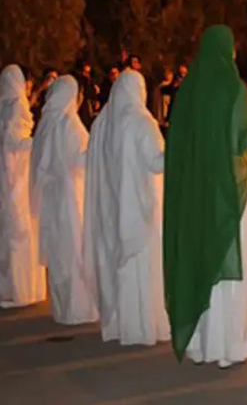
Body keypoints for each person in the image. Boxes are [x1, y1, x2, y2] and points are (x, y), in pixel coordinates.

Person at [163, 25, 247, 368]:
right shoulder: (234, 89)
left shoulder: (187, 92)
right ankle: (230, 346)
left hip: (196, 192)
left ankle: (201, 344)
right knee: (231, 258)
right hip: (227, 190)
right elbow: (241, 143)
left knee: (202, 255)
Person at [83, 70, 170, 346]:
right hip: (140, 212)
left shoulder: (102, 124)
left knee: (117, 267)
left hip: (111, 212)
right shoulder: (141, 122)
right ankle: (143, 328)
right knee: (141, 268)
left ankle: (121, 325)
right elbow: (157, 163)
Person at [30, 76, 98, 325]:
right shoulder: (69, 123)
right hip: (70, 197)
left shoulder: (47, 123)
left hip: (52, 199)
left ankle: (62, 308)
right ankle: (78, 309)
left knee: (59, 253)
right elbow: (78, 160)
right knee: (74, 251)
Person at [0, 65, 47, 308]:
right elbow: (14, 144)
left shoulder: (4, 104)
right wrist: (37, 143)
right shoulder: (16, 106)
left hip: (7, 180)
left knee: (8, 232)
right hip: (17, 177)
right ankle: (22, 290)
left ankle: (9, 287)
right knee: (21, 232)